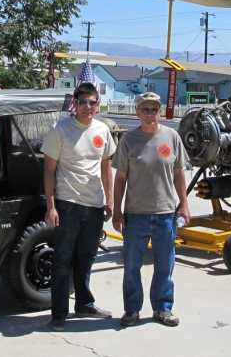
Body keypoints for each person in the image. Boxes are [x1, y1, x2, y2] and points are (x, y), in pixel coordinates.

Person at [42, 82, 117, 331]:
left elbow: (106, 167)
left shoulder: (103, 130)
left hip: (94, 205)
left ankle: (84, 303)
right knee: (62, 259)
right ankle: (59, 314)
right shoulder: (60, 129)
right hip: (68, 205)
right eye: (83, 102)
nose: (87, 107)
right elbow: (49, 170)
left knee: (87, 257)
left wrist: (110, 201)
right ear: (75, 103)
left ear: (98, 105)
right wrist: (51, 206)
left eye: (92, 102)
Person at [112, 91, 190, 328]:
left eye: (153, 109)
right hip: (136, 214)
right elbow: (120, 178)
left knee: (165, 265)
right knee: (132, 266)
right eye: (145, 109)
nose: (149, 113)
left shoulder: (172, 137)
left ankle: (163, 309)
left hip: (166, 214)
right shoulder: (128, 140)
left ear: (160, 111)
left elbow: (178, 173)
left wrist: (184, 203)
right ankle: (132, 310)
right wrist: (117, 210)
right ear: (137, 112)